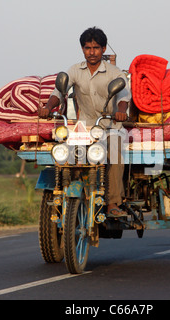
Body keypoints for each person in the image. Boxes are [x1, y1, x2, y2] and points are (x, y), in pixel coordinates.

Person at [39, 27, 131, 217]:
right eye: (87, 48)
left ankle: (113, 202)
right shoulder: (75, 70)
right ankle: (65, 192)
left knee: (115, 152)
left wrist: (121, 112)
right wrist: (49, 107)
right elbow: (59, 91)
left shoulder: (115, 73)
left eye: (96, 48)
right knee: (65, 152)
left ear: (104, 49)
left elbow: (123, 97)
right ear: (82, 49)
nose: (91, 52)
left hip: (110, 127)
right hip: (85, 127)